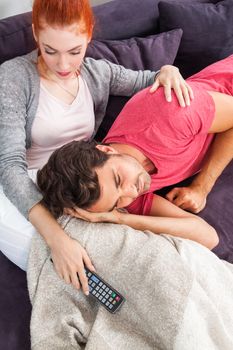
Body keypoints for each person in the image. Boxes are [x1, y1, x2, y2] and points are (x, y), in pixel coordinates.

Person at [0, 0, 193, 294]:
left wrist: (168, 69)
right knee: (51, 258)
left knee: (109, 253)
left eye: (74, 52)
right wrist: (56, 239)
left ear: (89, 35)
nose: (63, 65)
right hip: (22, 182)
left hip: (78, 179)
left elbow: (148, 80)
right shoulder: (14, 77)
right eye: (50, 50)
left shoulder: (96, 73)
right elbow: (10, 164)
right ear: (36, 35)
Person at [37, 55, 233, 249]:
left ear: (106, 150)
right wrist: (119, 218)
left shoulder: (171, 114)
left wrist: (201, 187)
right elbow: (207, 236)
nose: (132, 192)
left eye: (119, 180)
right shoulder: (110, 191)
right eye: (117, 202)